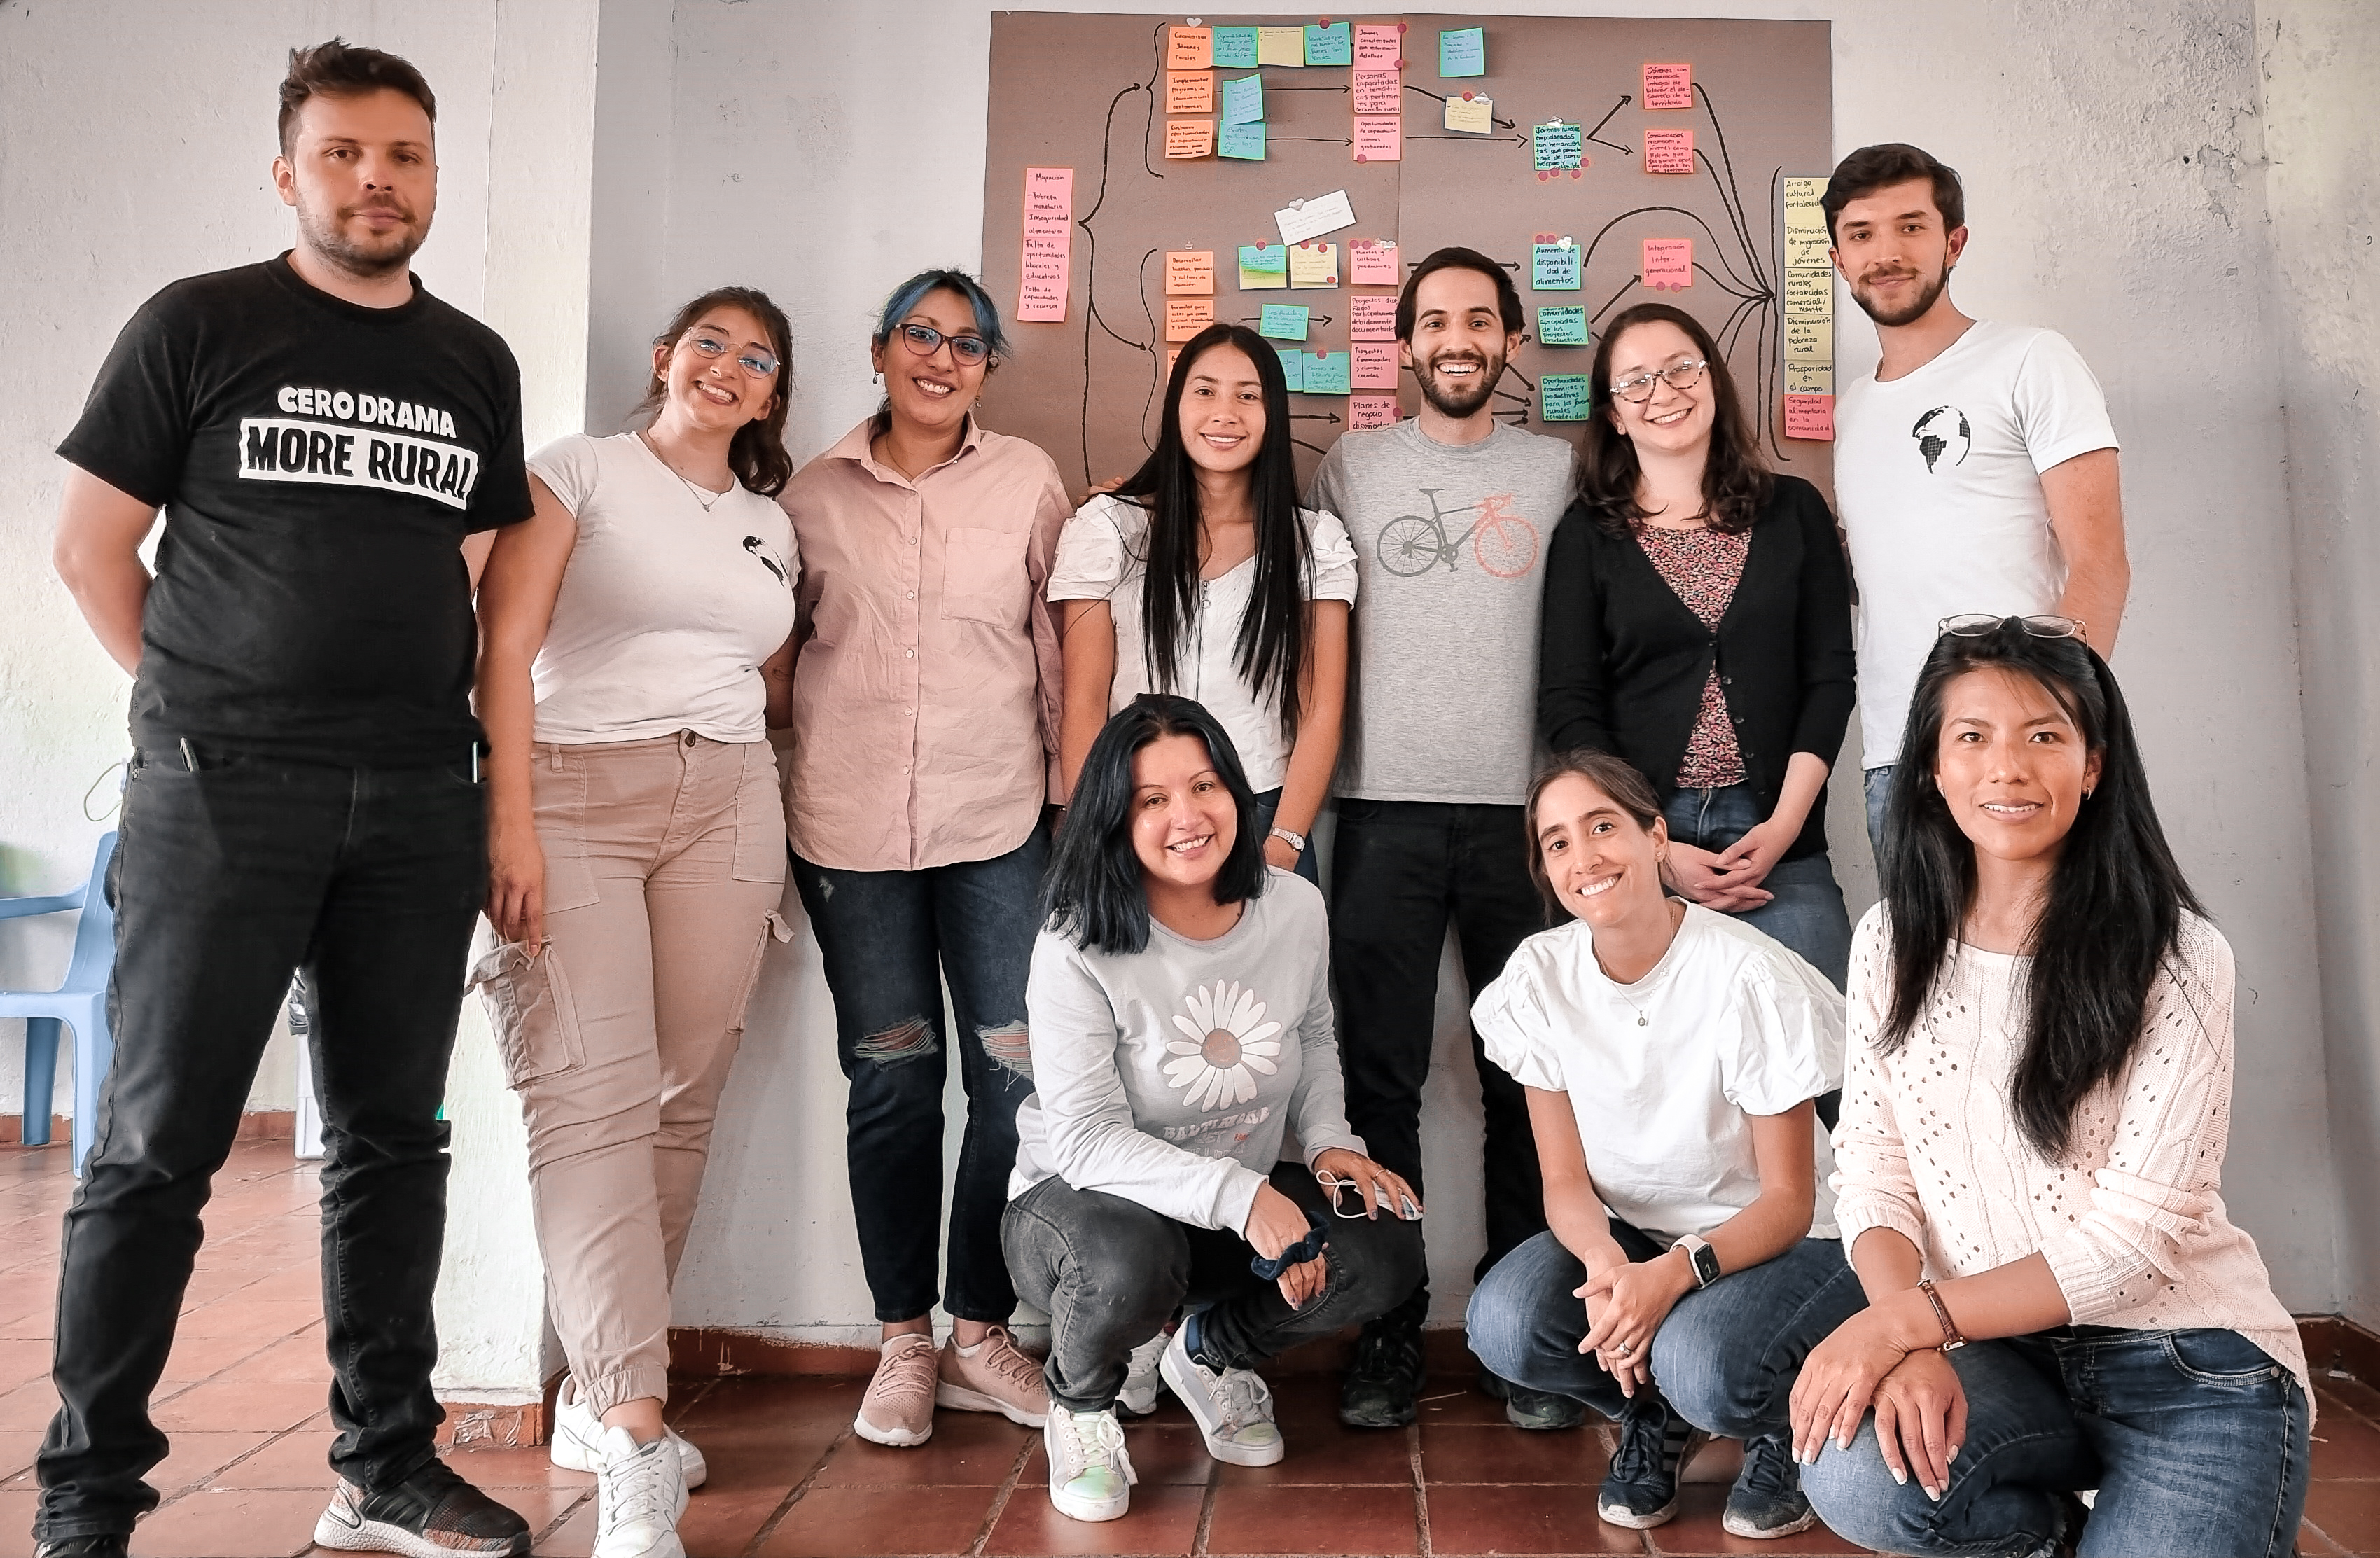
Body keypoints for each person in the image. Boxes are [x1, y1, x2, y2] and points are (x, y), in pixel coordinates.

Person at [39, 41, 534, 1558]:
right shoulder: (199, 324)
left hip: (413, 798)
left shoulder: (473, 362)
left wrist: (475, 781)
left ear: (434, 176)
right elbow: (91, 549)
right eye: (343, 153)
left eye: (404, 155)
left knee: (394, 1136)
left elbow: (467, 571)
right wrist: (204, 706)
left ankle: (384, 1461)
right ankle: (86, 1499)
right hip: (217, 790)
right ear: (289, 172)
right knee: (153, 1148)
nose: (377, 179)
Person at [1793, 618, 2311, 1558]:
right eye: (1972, 736)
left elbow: (2134, 1243)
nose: (2007, 766)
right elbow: (1872, 1168)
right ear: (1929, 771)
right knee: (1852, 1469)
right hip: (1999, 1354)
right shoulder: (1886, 942)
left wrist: (1907, 1321)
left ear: (2091, 765)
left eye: (2043, 735)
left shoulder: (2178, 954)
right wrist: (1906, 1339)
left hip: (2185, 1363)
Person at [470, 287, 799, 1558]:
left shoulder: (771, 524)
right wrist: (506, 825)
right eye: (707, 343)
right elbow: (504, 651)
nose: (727, 367)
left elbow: (762, 681)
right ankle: (637, 1432)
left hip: (726, 797)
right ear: (664, 359)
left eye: (756, 357)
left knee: (680, 1097)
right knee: (583, 1097)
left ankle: (599, 1392)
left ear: (772, 394)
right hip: (571, 790)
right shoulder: (575, 470)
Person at [1004, 695, 1426, 1523]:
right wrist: (1246, 1198)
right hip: (1075, 1212)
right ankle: (1082, 1406)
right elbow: (1086, 1141)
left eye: (1204, 786)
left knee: (1383, 1246)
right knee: (1131, 1254)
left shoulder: (1293, 907)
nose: (1187, 816)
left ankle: (1204, 1353)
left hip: (1225, 1207)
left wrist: (1332, 1142)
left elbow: (1311, 1033)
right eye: (1152, 799)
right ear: (1115, 816)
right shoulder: (1075, 941)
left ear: (1237, 790)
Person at [777, 268, 1069, 1447]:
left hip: (998, 824)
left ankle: (977, 1334)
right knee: (892, 1081)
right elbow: (772, 657)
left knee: (1012, 1079)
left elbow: (1057, 649)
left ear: (988, 367)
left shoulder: (1028, 482)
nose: (941, 359)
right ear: (880, 349)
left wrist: (1065, 805)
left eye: (966, 344)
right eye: (920, 336)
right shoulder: (808, 495)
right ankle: (900, 1340)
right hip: (848, 833)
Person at [1304, 246, 1578, 1429]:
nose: (1456, 338)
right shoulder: (1348, 466)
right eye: (1433, 322)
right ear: (1403, 345)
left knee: (1530, 1080)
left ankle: (1525, 1335)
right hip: (1378, 810)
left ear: (1511, 340)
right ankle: (1387, 1330)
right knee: (1380, 1082)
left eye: (1479, 318)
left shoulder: (1558, 467)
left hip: (1530, 821)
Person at [1465, 749, 1860, 1539]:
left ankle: (1780, 1423)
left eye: (1603, 826)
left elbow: (1790, 1200)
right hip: (1640, 1234)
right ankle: (1655, 1407)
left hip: (1792, 1243)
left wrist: (1674, 1274)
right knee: (1503, 1321)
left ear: (1656, 836)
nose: (1585, 858)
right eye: (1559, 843)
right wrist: (1611, 1266)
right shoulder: (1538, 976)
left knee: (1705, 1363)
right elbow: (1567, 1184)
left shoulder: (1745, 973)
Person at [1540, 302, 1858, 995]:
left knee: (1827, 1058)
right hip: (1642, 836)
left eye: (1681, 367)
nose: (1664, 391)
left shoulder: (1796, 510)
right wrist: (1650, 846)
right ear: (1615, 416)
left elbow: (1830, 678)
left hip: (1778, 827)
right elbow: (1570, 704)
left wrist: (1785, 825)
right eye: (1636, 382)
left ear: (1714, 379)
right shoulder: (1586, 537)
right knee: (1662, 1073)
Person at [1823, 143, 2128, 851]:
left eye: (1911, 226)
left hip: (2019, 752)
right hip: (1899, 757)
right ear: (1838, 260)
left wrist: (2055, 727)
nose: (1886, 252)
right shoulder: (1850, 413)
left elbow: (2102, 564)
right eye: (1861, 234)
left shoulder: (2030, 359)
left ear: (1953, 242)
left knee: (2054, 961)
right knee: (1927, 962)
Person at [1051, 323, 1353, 887]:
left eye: (1248, 395)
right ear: (1176, 404)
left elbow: (1321, 711)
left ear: (1273, 414)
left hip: (1262, 812)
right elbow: (1085, 700)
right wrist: (1094, 832)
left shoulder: (1313, 544)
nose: (1225, 412)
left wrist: (1284, 844)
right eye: (1205, 391)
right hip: (1135, 811)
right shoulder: (1110, 529)